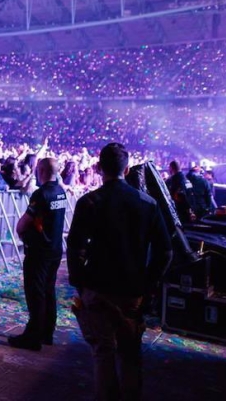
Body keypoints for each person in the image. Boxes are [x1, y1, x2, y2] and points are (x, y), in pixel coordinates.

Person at [67, 143, 173, 401]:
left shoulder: (89, 201)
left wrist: (80, 284)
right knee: (130, 353)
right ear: (126, 169)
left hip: (98, 288)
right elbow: (165, 252)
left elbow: (75, 247)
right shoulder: (148, 204)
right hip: (132, 290)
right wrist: (148, 284)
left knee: (103, 352)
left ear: (100, 168)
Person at [8, 157, 68, 351]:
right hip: (55, 249)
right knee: (49, 291)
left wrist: (21, 233)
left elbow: (25, 222)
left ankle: (33, 336)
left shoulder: (41, 194)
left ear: (40, 171)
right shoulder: (60, 191)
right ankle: (47, 333)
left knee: (36, 293)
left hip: (40, 250)